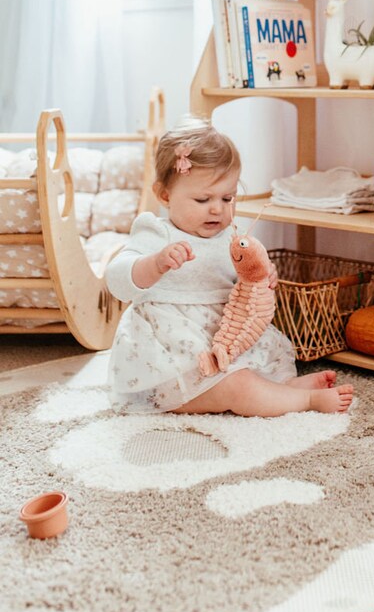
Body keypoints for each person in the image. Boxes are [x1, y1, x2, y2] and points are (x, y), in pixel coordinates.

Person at [105, 117, 354, 416]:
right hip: (173, 355)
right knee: (238, 386)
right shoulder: (157, 233)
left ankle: (284, 386)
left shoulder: (231, 237)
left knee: (251, 372)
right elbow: (116, 280)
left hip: (225, 338)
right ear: (165, 195)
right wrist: (154, 264)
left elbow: (246, 278)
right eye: (202, 199)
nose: (217, 209)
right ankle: (305, 401)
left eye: (228, 197)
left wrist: (262, 276)